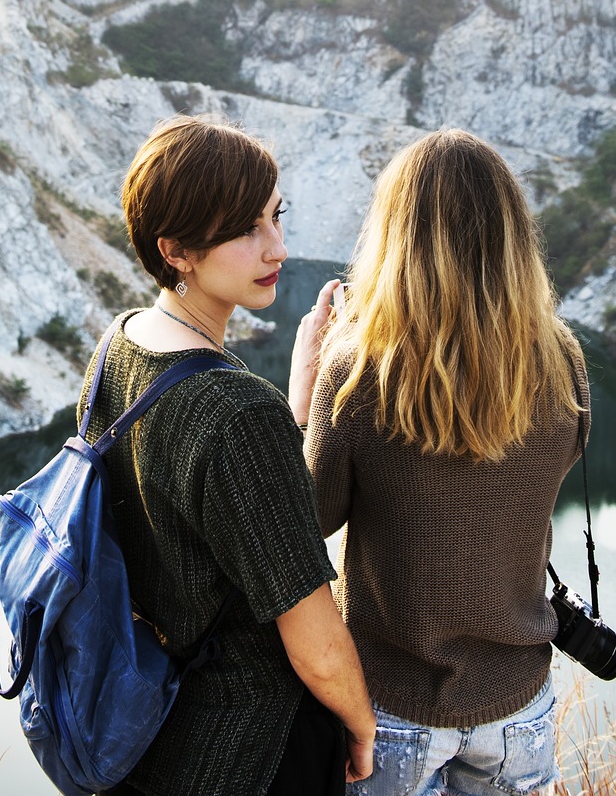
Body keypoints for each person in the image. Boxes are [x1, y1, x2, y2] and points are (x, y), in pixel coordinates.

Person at [81, 114, 375, 796]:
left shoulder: (117, 348)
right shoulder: (237, 411)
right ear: (176, 249)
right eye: (246, 229)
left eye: (276, 216)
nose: (276, 245)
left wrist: (296, 398)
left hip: (149, 732)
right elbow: (316, 640)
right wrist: (361, 724)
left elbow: (223, 514)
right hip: (256, 751)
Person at [289, 129, 589, 796]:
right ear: (513, 234)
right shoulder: (561, 358)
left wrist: (305, 401)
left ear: (395, 236)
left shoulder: (358, 370)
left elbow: (305, 517)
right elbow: (559, 458)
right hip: (520, 705)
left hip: (391, 706)